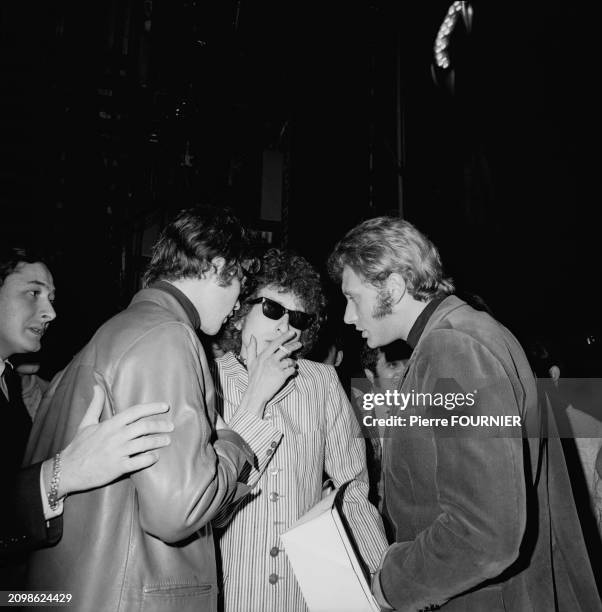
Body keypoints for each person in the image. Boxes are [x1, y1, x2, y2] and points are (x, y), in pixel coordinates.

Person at [328, 216, 601, 612]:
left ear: (393, 287)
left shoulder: (453, 349)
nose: (348, 317)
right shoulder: (468, 333)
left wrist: (390, 584)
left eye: (353, 298)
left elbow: (485, 533)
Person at [25, 207, 255, 612]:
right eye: (241, 281)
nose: (239, 302)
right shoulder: (167, 334)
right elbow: (179, 509)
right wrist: (233, 445)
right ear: (218, 266)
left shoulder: (106, 338)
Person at [213, 248, 388, 612]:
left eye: (298, 319)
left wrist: (380, 576)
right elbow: (204, 503)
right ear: (240, 313)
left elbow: (351, 491)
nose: (285, 326)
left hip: (304, 591)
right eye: (273, 309)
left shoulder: (321, 382)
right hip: (231, 587)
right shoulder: (206, 379)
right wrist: (254, 401)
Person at [0, 246, 173, 588]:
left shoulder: (10, 381)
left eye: (51, 297)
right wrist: (62, 474)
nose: (49, 311)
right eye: (32, 293)